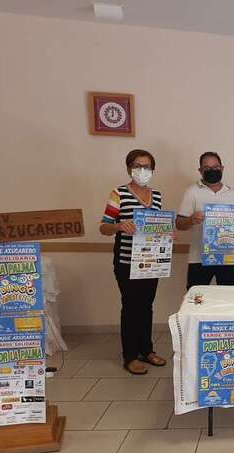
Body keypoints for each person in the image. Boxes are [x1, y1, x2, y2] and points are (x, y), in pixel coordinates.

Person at [100, 149, 167, 375]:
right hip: (127, 261)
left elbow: (156, 226)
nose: (142, 170)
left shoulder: (156, 195)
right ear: (129, 168)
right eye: (137, 166)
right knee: (131, 307)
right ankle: (130, 356)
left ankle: (146, 350)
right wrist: (119, 226)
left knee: (147, 306)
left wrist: (166, 233)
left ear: (153, 170)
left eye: (147, 166)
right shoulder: (118, 193)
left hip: (152, 261)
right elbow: (104, 227)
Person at [176, 151, 234, 289]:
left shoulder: (232, 194)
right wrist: (191, 220)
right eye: (207, 168)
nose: (212, 170)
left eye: (216, 167)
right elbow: (179, 224)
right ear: (200, 171)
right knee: (196, 298)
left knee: (228, 298)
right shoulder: (192, 192)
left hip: (228, 258)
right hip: (199, 259)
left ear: (222, 168)